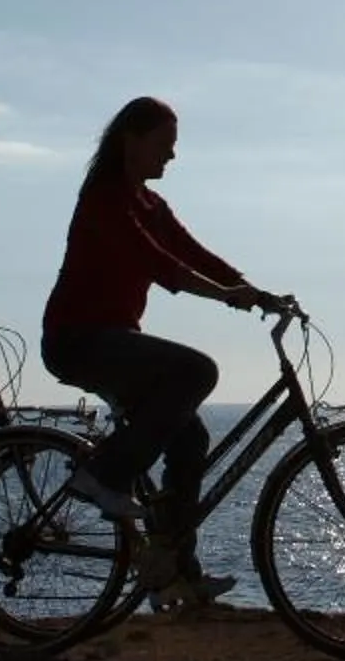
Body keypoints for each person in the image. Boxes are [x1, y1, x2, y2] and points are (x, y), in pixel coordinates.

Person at [41, 95, 291, 610]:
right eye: (165, 145)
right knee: (196, 370)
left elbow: (190, 251)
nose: (172, 157)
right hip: (78, 340)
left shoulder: (151, 205)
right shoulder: (106, 197)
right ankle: (103, 474)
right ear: (132, 140)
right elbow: (161, 264)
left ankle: (171, 569)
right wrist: (226, 296)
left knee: (190, 436)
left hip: (114, 340)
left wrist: (250, 289)